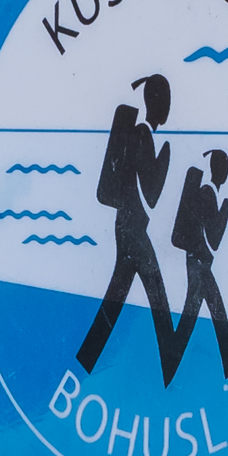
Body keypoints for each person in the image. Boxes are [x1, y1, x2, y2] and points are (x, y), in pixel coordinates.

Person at [76, 75, 175, 375]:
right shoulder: (143, 135)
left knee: (118, 296)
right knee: (156, 294)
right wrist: (165, 158)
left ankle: (88, 358)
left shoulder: (138, 134)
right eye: (166, 103)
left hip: (128, 226)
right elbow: (152, 194)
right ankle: (172, 360)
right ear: (157, 104)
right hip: (132, 228)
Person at [165, 147, 228, 384]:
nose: (225, 172)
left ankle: (171, 364)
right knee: (213, 314)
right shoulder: (208, 194)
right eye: (224, 167)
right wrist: (225, 211)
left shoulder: (208, 193)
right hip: (198, 264)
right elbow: (212, 238)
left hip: (199, 263)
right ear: (220, 171)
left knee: (195, 316)